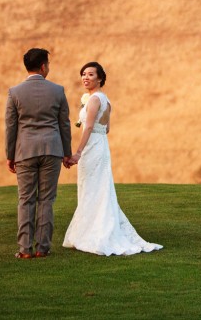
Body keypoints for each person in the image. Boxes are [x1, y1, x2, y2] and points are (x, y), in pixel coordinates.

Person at [63, 61, 163, 255]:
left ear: (100, 78)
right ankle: (92, 228)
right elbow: (106, 128)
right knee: (98, 187)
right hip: (101, 146)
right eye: (83, 74)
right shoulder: (106, 100)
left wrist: (78, 152)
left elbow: (90, 127)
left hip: (92, 147)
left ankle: (93, 233)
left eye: (91, 74)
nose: (85, 77)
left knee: (92, 188)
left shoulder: (93, 100)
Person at [5, 48, 74, 259]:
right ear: (43, 66)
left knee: (26, 199)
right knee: (46, 199)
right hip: (52, 150)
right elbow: (64, 124)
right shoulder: (58, 90)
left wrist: (10, 155)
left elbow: (11, 126)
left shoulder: (14, 92)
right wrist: (66, 153)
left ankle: (24, 249)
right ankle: (42, 248)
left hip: (24, 151)